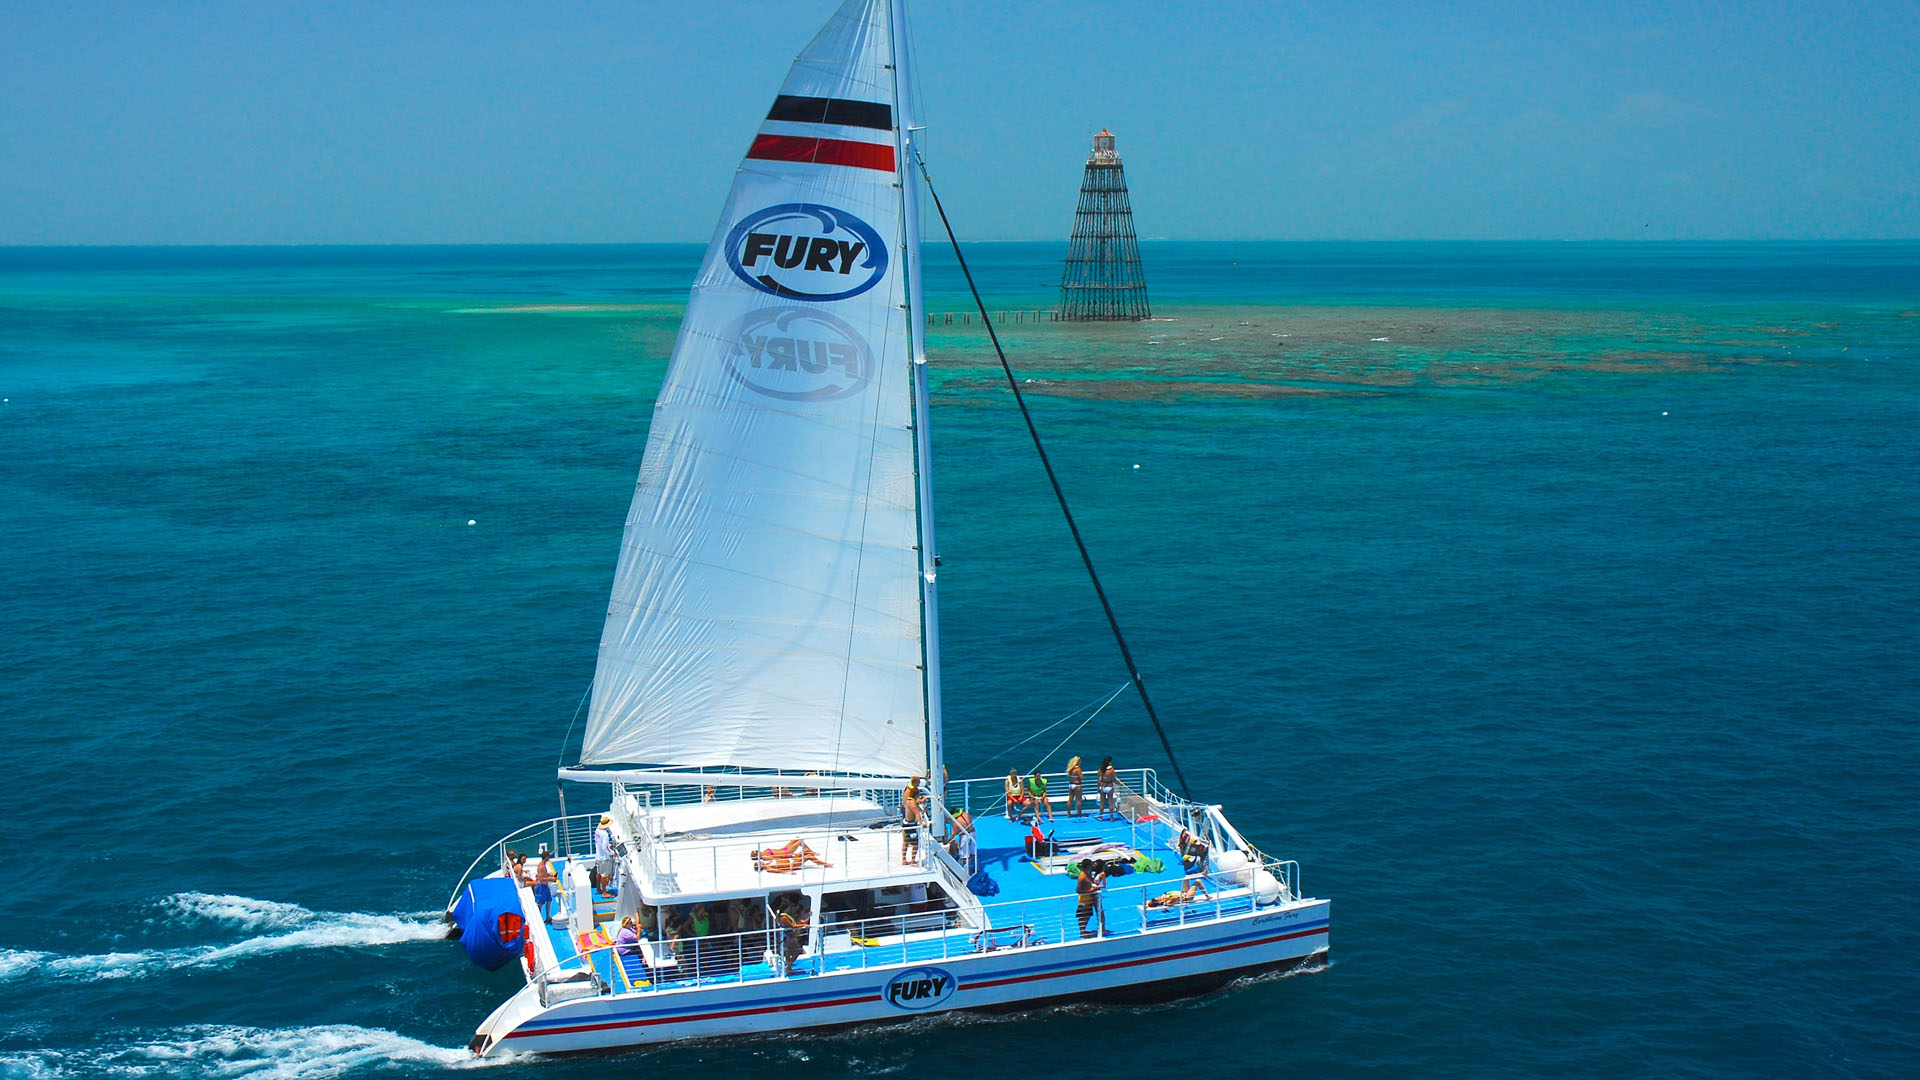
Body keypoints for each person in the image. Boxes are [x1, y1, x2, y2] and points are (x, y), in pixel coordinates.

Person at [753, 838, 833, 872]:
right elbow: (777, 867)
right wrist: (789, 871)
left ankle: (812, 852)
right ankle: (825, 864)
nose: (757, 850)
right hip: (787, 857)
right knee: (803, 848)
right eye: (756, 851)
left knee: (802, 846)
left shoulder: (765, 858)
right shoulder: (766, 860)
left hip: (786, 853)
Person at [1076, 860, 1108, 938]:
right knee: (1084, 915)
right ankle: (1082, 932)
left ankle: (1100, 929)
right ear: (1088, 866)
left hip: (1090, 897)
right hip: (1085, 898)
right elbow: (1078, 890)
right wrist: (1091, 890)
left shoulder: (1088, 873)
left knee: (1090, 914)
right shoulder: (1082, 876)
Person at [1146, 878, 1211, 909]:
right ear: (1158, 901)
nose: (1157, 896)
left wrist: (1147, 905)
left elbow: (1147, 903)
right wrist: (1166, 897)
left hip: (1183, 892)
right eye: (1157, 898)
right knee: (1198, 881)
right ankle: (1207, 896)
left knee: (1186, 878)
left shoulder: (1163, 897)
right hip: (1187, 897)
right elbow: (1176, 897)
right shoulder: (1168, 902)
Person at [532, 851, 559, 925]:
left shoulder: (543, 865)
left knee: (549, 900)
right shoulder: (541, 867)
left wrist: (549, 875)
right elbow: (540, 879)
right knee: (540, 904)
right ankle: (537, 919)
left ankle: (547, 917)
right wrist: (550, 879)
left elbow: (543, 875)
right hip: (541, 887)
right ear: (546, 857)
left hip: (545, 886)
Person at [901, 779, 924, 864]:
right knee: (915, 844)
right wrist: (922, 823)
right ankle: (913, 860)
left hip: (906, 823)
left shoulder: (909, 800)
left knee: (905, 842)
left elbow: (916, 806)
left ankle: (904, 860)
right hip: (910, 826)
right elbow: (917, 813)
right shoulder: (912, 802)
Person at [592, 814, 615, 892]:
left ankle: (598, 889)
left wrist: (609, 846)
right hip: (604, 858)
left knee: (598, 874)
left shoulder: (597, 830)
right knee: (604, 875)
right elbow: (605, 848)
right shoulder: (605, 834)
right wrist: (612, 853)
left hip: (598, 856)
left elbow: (600, 843)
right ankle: (604, 892)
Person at [1097, 756, 1118, 821]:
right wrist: (1120, 783)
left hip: (1102, 787)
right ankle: (1111, 817)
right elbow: (1114, 779)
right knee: (1110, 802)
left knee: (1102, 803)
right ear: (1110, 762)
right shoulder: (1111, 770)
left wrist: (1098, 787)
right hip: (1109, 787)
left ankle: (1100, 817)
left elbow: (1098, 780)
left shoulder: (1100, 769)